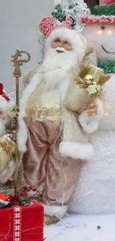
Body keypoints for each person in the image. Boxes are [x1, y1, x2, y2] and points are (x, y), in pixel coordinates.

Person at [17, 27, 104, 223]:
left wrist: (91, 111)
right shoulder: (38, 72)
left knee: (62, 166)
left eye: (67, 44)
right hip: (33, 125)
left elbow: (88, 100)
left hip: (65, 128)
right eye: (57, 41)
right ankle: (29, 199)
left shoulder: (79, 76)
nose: (60, 47)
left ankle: (53, 207)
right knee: (32, 162)